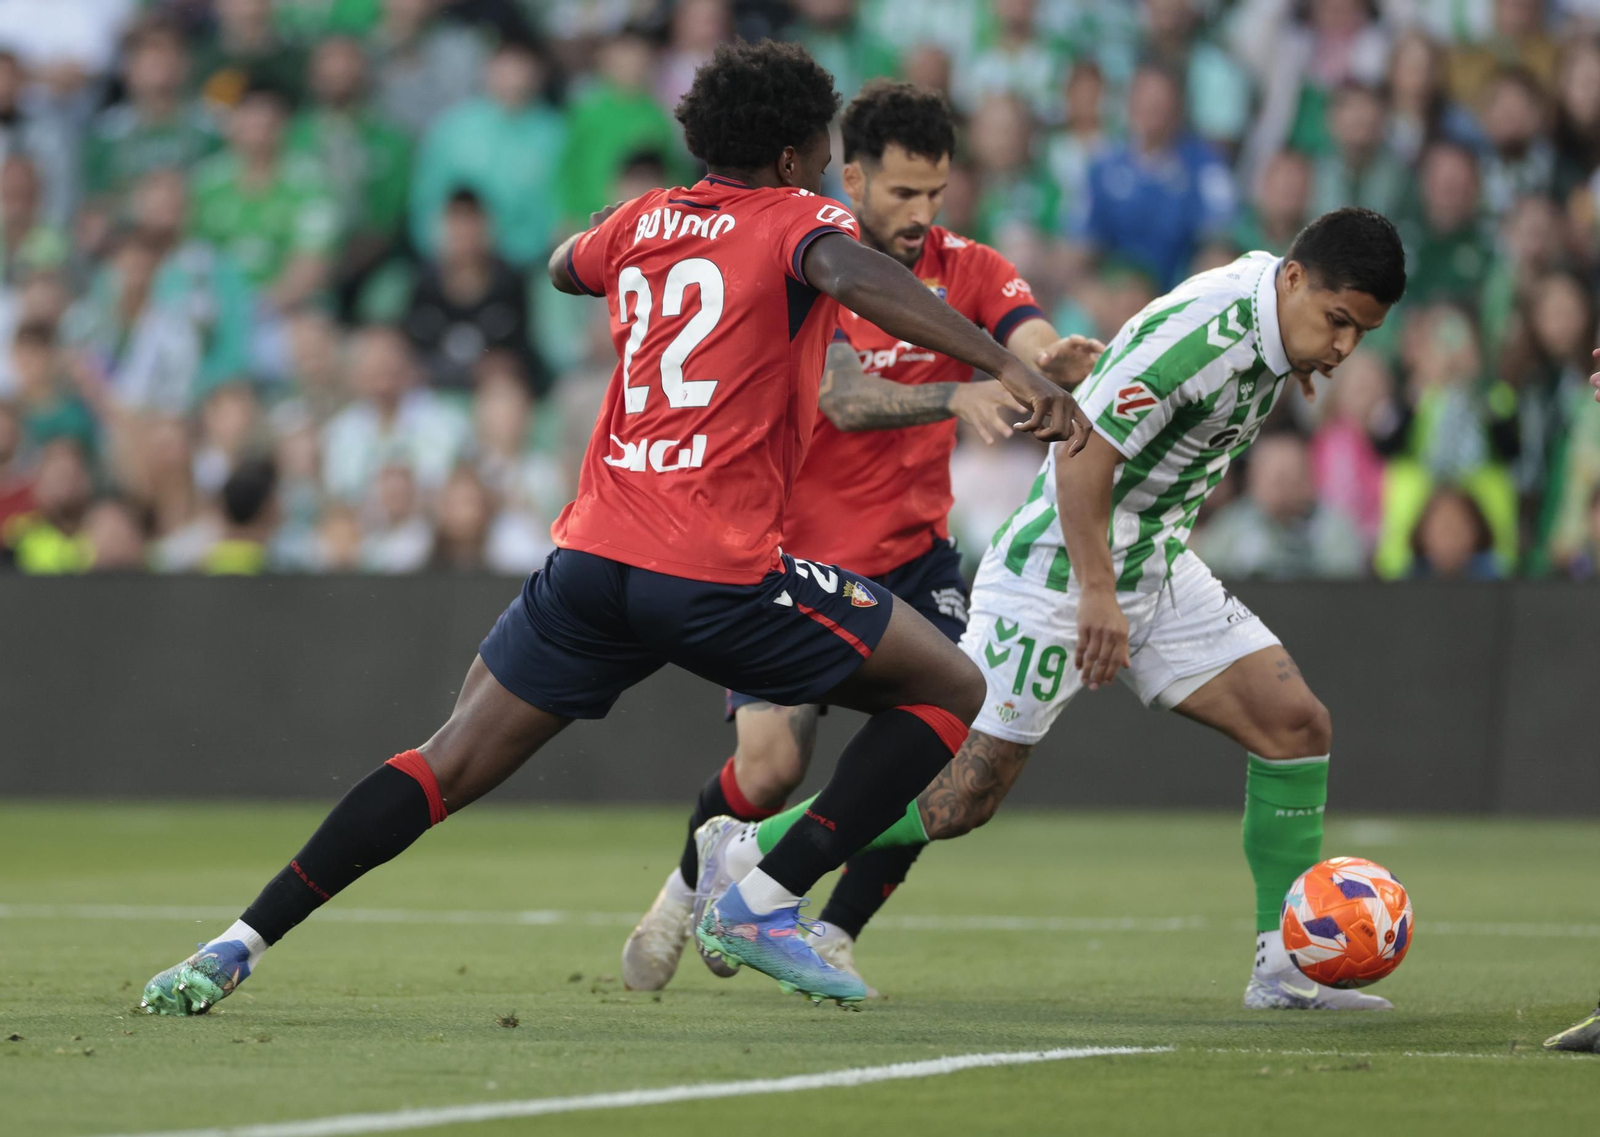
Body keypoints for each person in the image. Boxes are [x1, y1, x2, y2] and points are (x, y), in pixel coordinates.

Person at [137, 39, 1088, 1016]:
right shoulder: (804, 218)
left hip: (591, 560)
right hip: (717, 569)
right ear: (803, 154)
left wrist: (647, 224)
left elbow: (560, 266)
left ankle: (233, 944)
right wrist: (1005, 367)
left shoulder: (640, 220)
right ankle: (761, 899)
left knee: (448, 758)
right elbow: (852, 277)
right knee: (949, 687)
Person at [698, 208, 1411, 1011]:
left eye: (1361, 333)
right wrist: (1097, 592)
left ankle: (1284, 966)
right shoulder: (1204, 332)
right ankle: (749, 846)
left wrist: (1302, 353)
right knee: (963, 795)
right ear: (1291, 278)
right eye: (1338, 321)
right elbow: (1080, 449)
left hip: (1153, 557)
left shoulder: (1278, 319)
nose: (1346, 347)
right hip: (1057, 568)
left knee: (1295, 725)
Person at [619, 79, 1102, 995]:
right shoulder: (809, 256)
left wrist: (1051, 358)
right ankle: (688, 886)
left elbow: (1023, 329)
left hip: (914, 557)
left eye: (936, 193)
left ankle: (835, 928)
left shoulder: (969, 265)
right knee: (769, 766)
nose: (922, 214)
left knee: (945, 745)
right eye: (902, 193)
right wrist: (953, 393)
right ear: (854, 177)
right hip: (789, 559)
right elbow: (839, 394)